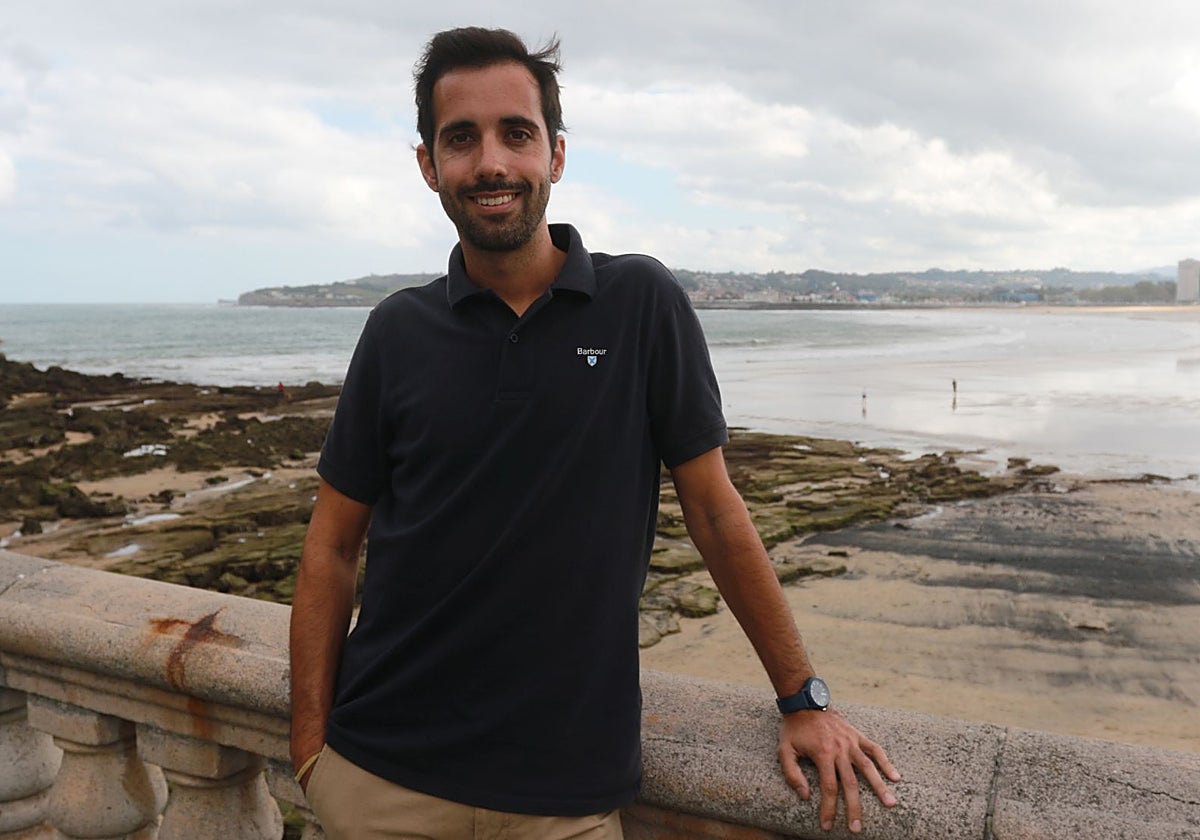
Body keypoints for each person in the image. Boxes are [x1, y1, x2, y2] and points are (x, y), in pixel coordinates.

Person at [289, 26, 900, 839]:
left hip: (566, 797)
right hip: (379, 779)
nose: (492, 163)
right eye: (460, 139)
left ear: (557, 155)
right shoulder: (397, 332)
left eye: (517, 133)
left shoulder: (640, 302)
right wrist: (310, 752)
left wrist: (803, 698)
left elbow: (715, 513)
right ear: (429, 165)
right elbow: (330, 546)